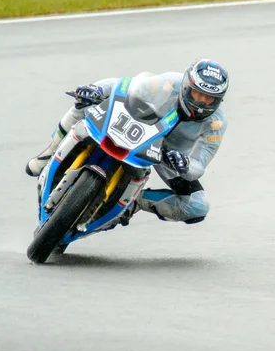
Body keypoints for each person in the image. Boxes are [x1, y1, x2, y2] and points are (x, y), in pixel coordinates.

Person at [25, 58, 229, 226]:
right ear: (187, 86)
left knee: (198, 206)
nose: (202, 102)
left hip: (169, 156)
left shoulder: (216, 124)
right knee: (84, 103)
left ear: (219, 100)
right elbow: (125, 85)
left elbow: (199, 164)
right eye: (198, 94)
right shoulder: (170, 83)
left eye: (209, 99)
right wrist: (96, 90)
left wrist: (184, 165)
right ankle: (49, 153)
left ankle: (135, 201)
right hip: (142, 127)